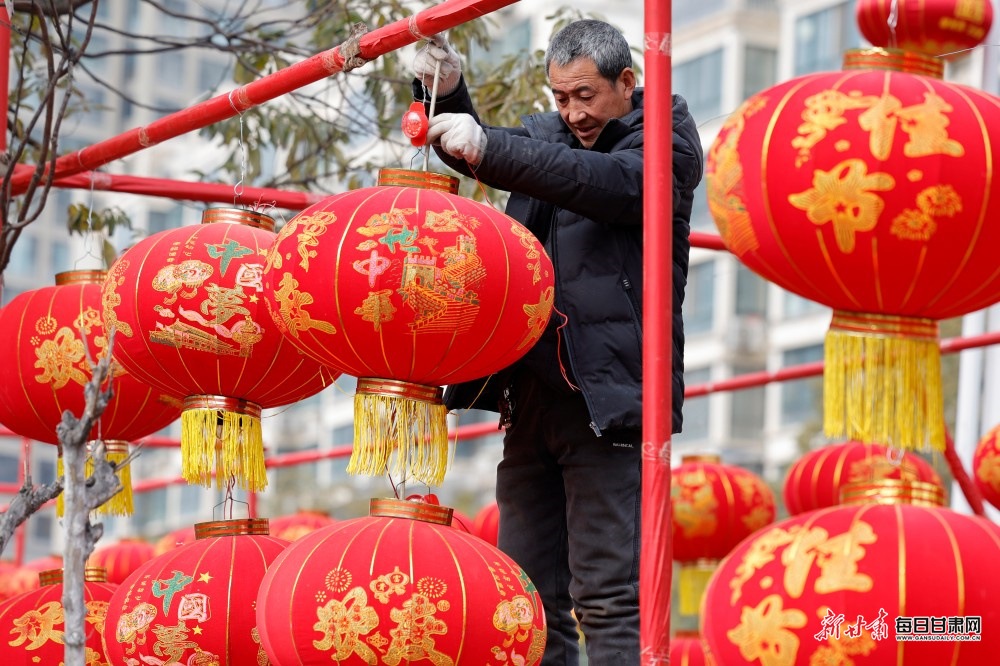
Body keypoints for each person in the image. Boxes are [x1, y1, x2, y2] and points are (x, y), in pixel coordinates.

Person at [413, 19, 703, 665]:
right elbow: (486, 147)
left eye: (586, 95)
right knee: (525, 597)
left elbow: (590, 180)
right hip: (532, 400)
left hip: (609, 403)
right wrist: (448, 92)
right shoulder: (552, 138)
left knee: (608, 594)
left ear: (627, 82)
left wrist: (489, 145)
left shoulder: (664, 146)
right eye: (561, 98)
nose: (573, 113)